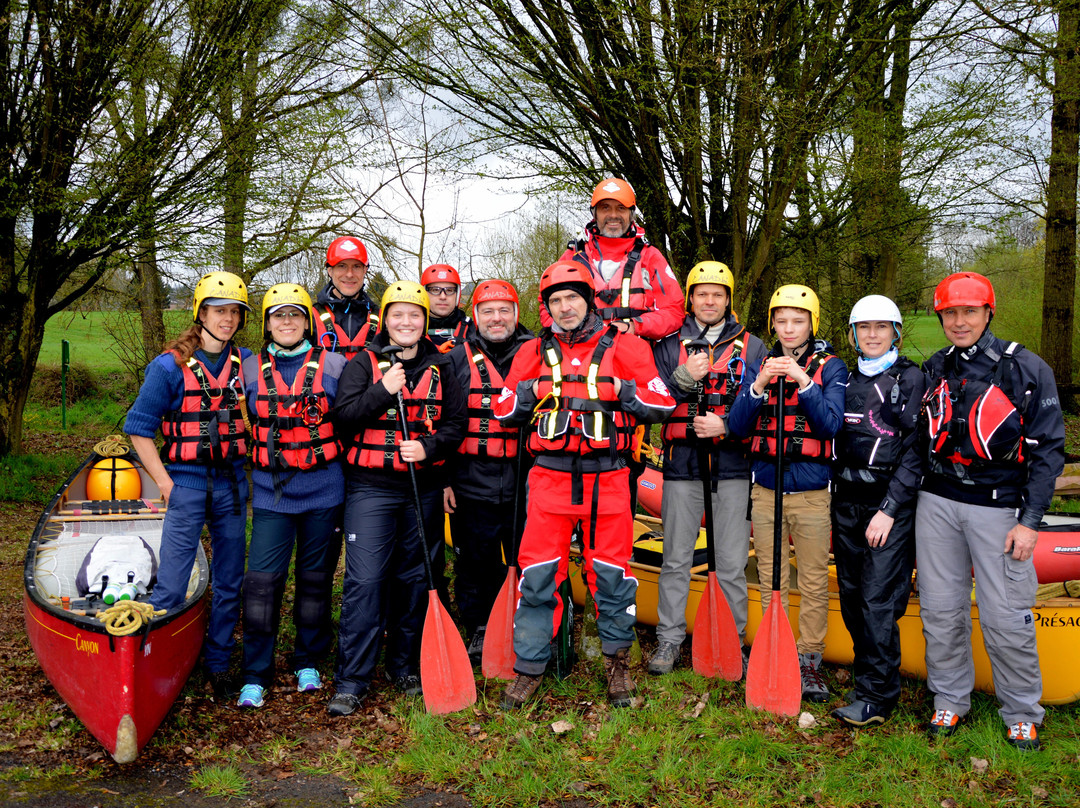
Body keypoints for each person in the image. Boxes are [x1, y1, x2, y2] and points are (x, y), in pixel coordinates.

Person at [494, 261, 675, 709]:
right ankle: (529, 668)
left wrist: (623, 392)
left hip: (607, 479)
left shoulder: (627, 345)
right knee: (538, 576)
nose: (564, 307)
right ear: (547, 307)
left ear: (588, 300)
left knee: (613, 577)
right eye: (555, 300)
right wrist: (528, 395)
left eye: (572, 298)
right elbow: (502, 408)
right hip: (549, 478)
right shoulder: (533, 350)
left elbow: (662, 402)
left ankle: (617, 666)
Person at [917, 272, 1064, 750]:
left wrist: (1030, 522)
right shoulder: (936, 367)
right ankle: (949, 698)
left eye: (969, 312)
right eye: (950, 313)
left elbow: (1048, 452)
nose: (959, 322)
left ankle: (1021, 711)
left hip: (999, 509)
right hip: (937, 502)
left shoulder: (1027, 369)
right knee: (941, 609)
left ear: (987, 313)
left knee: (1005, 616)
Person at [327, 281, 465, 716]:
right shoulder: (363, 364)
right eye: (397, 315)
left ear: (425, 321)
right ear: (384, 320)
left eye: (414, 315)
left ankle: (403, 665)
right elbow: (343, 419)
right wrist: (383, 389)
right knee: (366, 582)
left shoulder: (442, 365)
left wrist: (429, 447)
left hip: (421, 489)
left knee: (415, 579)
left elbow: (456, 424)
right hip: (371, 488)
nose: (406, 322)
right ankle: (352, 679)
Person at [124, 271, 253, 699]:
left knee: (230, 581)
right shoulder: (168, 367)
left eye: (234, 312)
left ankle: (218, 662)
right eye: (218, 310)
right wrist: (164, 483)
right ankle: (159, 663)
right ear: (201, 313)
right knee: (173, 584)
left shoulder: (248, 364)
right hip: (186, 484)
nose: (227, 319)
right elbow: (139, 428)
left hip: (232, 485)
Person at [727, 284, 846, 703]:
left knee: (812, 580)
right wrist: (759, 383)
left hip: (811, 493)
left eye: (798, 321)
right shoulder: (757, 364)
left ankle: (809, 659)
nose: (790, 328)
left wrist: (802, 380)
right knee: (770, 577)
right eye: (782, 321)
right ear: (773, 324)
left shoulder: (831, 367)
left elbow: (830, 426)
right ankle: (773, 647)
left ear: (812, 324)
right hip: (766, 490)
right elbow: (737, 426)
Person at [649, 261, 766, 675]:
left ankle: (731, 639)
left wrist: (727, 424)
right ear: (690, 299)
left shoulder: (752, 346)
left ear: (728, 299)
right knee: (675, 559)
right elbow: (651, 401)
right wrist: (682, 377)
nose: (710, 301)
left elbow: (762, 406)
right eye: (702, 294)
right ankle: (669, 639)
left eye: (718, 294)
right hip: (682, 464)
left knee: (732, 563)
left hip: (732, 466)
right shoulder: (667, 345)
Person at [236, 284, 348, 709]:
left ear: (307, 321)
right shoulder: (247, 369)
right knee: (261, 585)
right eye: (278, 315)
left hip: (324, 489)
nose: (287, 322)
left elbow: (354, 417)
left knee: (315, 581)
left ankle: (308, 661)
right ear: (267, 324)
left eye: (295, 315)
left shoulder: (335, 365)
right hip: (271, 493)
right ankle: (255, 674)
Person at [829, 295, 925, 727]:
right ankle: (867, 679)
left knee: (877, 599)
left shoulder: (910, 378)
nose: (872, 335)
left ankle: (877, 696)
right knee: (851, 597)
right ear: (852, 334)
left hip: (888, 503)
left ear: (895, 333)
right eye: (863, 327)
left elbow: (915, 452)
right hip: (845, 499)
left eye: (881, 327)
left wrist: (889, 509)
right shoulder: (846, 378)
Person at [445, 279, 533, 663]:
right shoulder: (454, 360)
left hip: (526, 480)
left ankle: (526, 627)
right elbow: (443, 424)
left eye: (504, 310)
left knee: (527, 559)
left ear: (516, 313)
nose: (496, 318)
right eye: (488, 311)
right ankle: (480, 627)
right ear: (476, 316)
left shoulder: (538, 353)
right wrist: (445, 480)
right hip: (471, 481)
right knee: (473, 563)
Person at [538, 178, 684, 341]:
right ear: (594, 213)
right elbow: (546, 306)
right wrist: (567, 332)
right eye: (605, 208)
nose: (613, 215)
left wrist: (635, 326)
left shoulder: (650, 257)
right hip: (583, 349)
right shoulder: (572, 257)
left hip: (636, 349)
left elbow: (674, 312)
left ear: (631, 214)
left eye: (621, 208)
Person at [313, 236, 380, 358]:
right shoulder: (311, 317)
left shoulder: (383, 319)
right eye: (342, 266)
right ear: (330, 270)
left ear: (365, 270)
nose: (349, 274)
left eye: (356, 266)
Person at [422, 264, 472, 349]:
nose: (443, 297)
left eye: (449, 290)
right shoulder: (410, 331)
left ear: (457, 295)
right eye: (435, 290)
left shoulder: (473, 332)